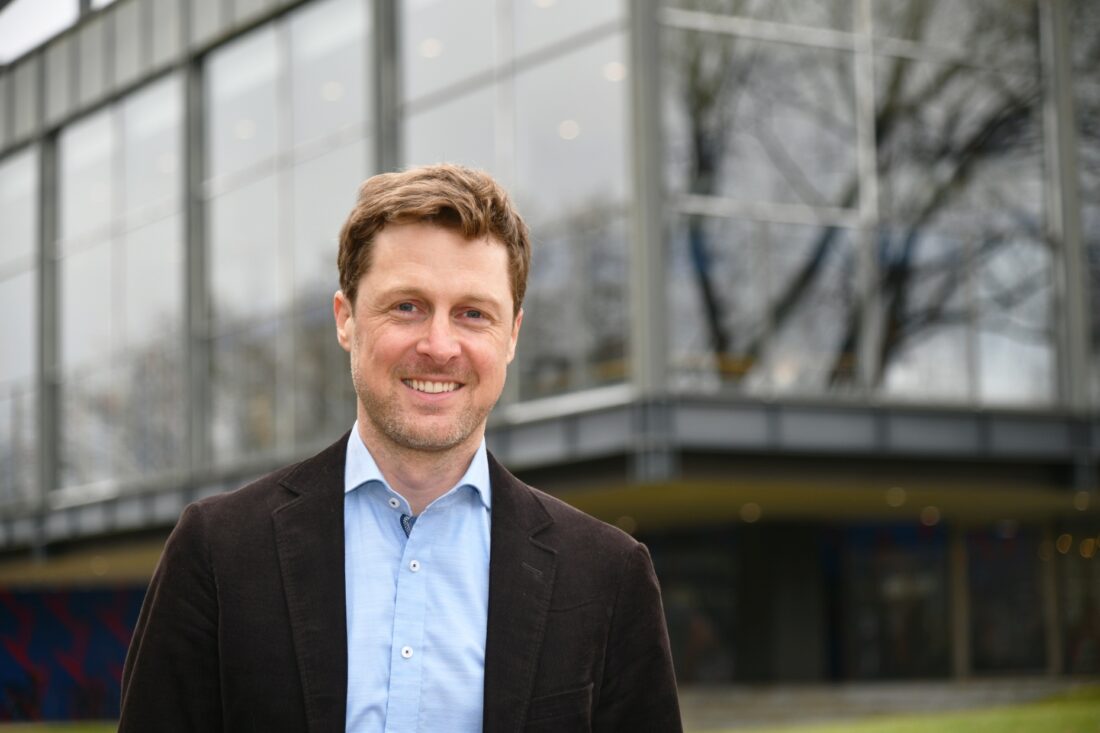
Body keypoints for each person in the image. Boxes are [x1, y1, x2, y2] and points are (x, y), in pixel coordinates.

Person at [118, 164, 682, 732]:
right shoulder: (218, 551)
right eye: (407, 306)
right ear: (346, 320)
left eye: (473, 314)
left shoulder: (608, 575)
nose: (439, 346)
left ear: (512, 335)